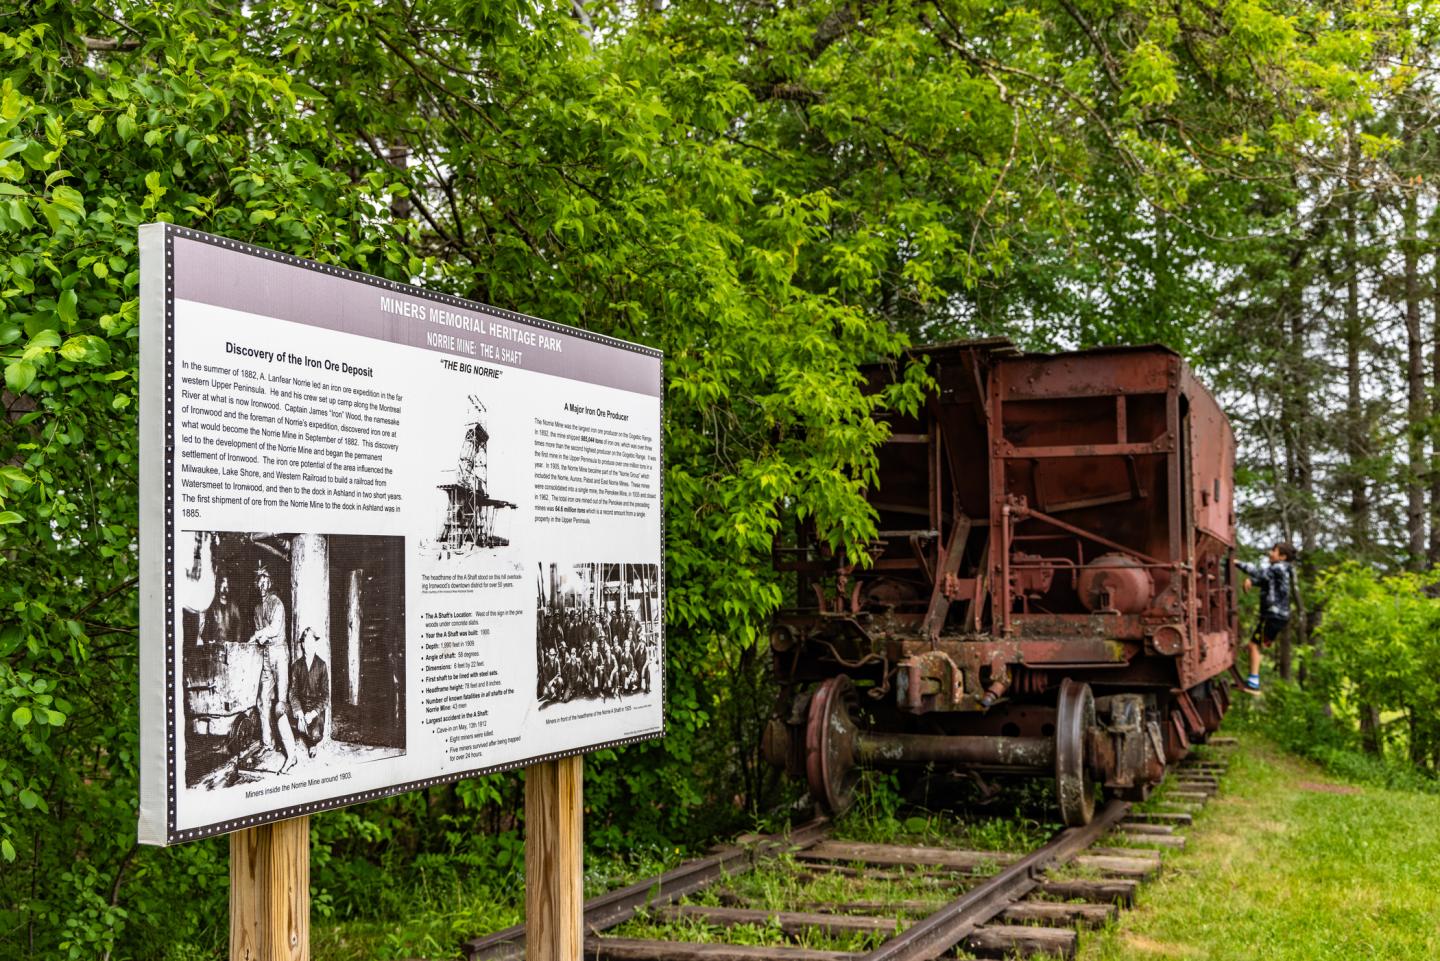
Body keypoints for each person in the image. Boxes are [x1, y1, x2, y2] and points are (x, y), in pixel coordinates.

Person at [250, 562, 298, 771]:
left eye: (264, 580)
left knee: (280, 702)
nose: (261, 584)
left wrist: (257, 636)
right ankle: (267, 743)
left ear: (269, 582)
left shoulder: (277, 603)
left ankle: (290, 750)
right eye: (258, 581)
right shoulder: (257, 608)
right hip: (267, 655)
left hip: (280, 653)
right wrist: (258, 638)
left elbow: (273, 628)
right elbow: (261, 632)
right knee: (262, 701)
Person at [1236, 542, 1295, 693]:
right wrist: (1251, 581)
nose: (1270, 553)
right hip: (1277, 617)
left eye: (1274, 551)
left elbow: (1259, 573)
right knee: (1255, 645)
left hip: (1273, 616)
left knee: (1253, 645)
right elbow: (1265, 581)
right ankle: (1253, 680)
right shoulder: (1283, 570)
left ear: (1282, 556)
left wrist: (1237, 563)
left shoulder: (1279, 567)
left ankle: (1253, 683)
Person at [287, 627, 330, 759]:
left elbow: (326, 695)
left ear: (315, 643)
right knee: (279, 711)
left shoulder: (322, 665)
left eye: (312, 641)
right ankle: (289, 743)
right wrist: (299, 712)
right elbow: (292, 692)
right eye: (306, 642)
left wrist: (313, 713)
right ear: (303, 644)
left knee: (316, 734)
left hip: (314, 708)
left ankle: (312, 743)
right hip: (301, 705)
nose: (309, 645)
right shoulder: (296, 666)